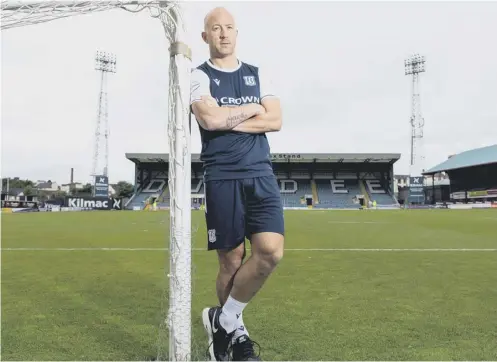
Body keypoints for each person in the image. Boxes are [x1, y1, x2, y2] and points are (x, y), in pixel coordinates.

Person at [190, 7, 285, 362]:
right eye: (216, 28)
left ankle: (224, 319)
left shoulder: (258, 73)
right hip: (222, 176)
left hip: (260, 173)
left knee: (271, 252)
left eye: (229, 27)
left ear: (237, 32)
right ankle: (235, 336)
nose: (223, 34)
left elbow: (275, 120)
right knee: (231, 262)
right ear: (205, 36)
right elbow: (210, 120)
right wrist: (250, 109)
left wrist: (230, 116)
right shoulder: (198, 76)